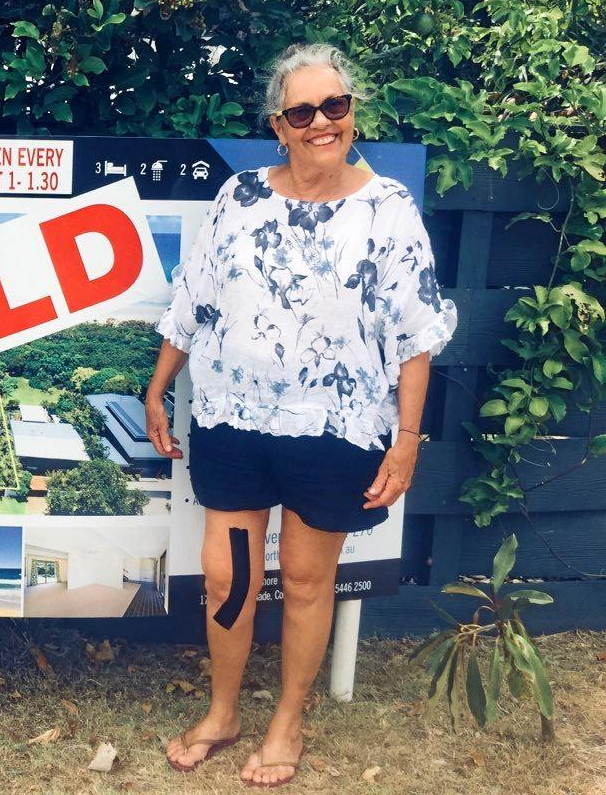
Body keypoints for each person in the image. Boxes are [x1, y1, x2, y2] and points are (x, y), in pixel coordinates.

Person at [145, 43, 455, 787]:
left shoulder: (388, 211)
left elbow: (416, 335)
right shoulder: (241, 197)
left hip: (336, 434)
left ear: (352, 115)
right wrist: (158, 388)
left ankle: (288, 719)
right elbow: (194, 299)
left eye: (335, 106)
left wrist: (406, 441)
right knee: (230, 578)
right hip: (236, 425)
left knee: (311, 582)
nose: (322, 122)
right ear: (279, 125)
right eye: (303, 111)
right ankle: (224, 712)